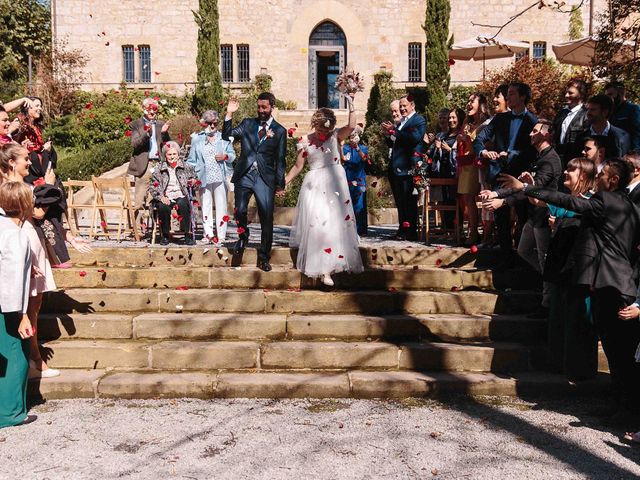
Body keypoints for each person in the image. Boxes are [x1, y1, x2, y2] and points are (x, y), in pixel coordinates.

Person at [512, 158, 640, 414]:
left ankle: (624, 408)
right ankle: (621, 406)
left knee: (618, 353)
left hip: (610, 285)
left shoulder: (605, 201)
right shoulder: (631, 206)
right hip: (623, 283)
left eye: (602, 174)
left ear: (612, 180)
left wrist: (528, 188)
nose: (599, 178)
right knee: (621, 354)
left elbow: (569, 202)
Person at [284, 96, 363, 287]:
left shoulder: (336, 136)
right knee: (317, 224)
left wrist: (351, 102)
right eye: (320, 130)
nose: (323, 134)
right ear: (314, 125)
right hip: (314, 185)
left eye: (326, 130)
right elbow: (297, 166)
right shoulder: (304, 141)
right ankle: (320, 268)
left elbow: (351, 126)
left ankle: (330, 267)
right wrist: (285, 181)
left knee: (334, 224)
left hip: (335, 183)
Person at [491, 119, 563, 316]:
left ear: (546, 134)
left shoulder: (550, 160)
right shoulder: (538, 156)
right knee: (524, 250)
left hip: (544, 215)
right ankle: (550, 282)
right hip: (534, 216)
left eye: (534, 131)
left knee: (544, 257)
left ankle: (548, 301)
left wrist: (503, 201)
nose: (530, 134)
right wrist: (497, 194)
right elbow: (523, 187)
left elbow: (532, 190)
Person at [473, 82, 538, 260]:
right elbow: (479, 139)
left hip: (520, 175)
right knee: (500, 218)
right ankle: (505, 256)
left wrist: (511, 154)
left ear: (523, 97)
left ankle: (522, 256)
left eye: (512, 94)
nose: (508, 97)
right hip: (499, 173)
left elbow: (534, 150)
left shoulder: (533, 121)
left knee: (523, 216)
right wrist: (484, 151)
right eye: (507, 94)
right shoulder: (500, 118)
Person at [223, 92, 287, 272]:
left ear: (271, 107)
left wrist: (279, 184)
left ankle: (264, 258)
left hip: (265, 178)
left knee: (266, 217)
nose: (261, 110)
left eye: (264, 107)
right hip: (245, 174)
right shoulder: (247, 124)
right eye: (259, 107)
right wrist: (229, 114)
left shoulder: (280, 131)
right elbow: (227, 135)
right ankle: (243, 236)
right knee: (240, 209)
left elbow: (280, 159)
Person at [12, 96, 76, 268]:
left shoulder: (37, 128)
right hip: (32, 175)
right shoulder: (20, 127)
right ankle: (56, 255)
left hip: (43, 171)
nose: (39, 109)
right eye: (36, 106)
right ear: (27, 108)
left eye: (40, 106)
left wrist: (47, 150)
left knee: (55, 207)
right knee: (43, 213)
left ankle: (61, 252)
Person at [0, 181, 35, 429]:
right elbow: (12, 277)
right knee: (16, 356)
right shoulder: (15, 235)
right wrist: (21, 314)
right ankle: (11, 413)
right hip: (8, 306)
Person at [24, 185, 60, 379]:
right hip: (23, 237)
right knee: (27, 305)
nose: (29, 161)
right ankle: (34, 358)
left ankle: (34, 355)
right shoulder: (14, 188)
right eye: (25, 159)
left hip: (34, 237)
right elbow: (36, 212)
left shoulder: (29, 186)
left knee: (36, 303)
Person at [382, 95, 427, 241]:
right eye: (400, 106)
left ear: (412, 105)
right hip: (396, 167)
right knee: (400, 201)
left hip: (409, 166)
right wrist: (388, 135)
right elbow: (395, 143)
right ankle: (402, 229)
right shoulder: (402, 122)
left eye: (404, 106)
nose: (401, 109)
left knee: (409, 201)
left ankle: (410, 232)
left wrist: (394, 131)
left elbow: (414, 138)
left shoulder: (418, 120)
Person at [187, 110, 235, 245]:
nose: (212, 126)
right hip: (204, 176)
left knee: (221, 206)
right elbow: (191, 160)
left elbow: (233, 155)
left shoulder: (224, 137)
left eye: (215, 123)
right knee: (205, 205)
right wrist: (191, 175)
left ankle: (221, 235)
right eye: (209, 123)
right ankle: (208, 234)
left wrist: (225, 156)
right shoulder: (197, 139)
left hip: (220, 176)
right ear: (204, 123)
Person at [127, 98, 171, 219]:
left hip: (158, 165)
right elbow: (135, 144)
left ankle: (159, 230)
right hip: (144, 166)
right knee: (140, 200)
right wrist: (147, 134)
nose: (152, 111)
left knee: (158, 199)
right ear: (144, 109)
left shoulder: (161, 124)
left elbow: (168, 146)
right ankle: (139, 230)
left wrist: (164, 133)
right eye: (149, 108)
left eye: (155, 109)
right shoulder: (136, 124)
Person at [148, 142, 198, 246]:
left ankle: (187, 234)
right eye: (169, 154)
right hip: (166, 196)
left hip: (182, 195)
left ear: (178, 154)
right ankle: (165, 235)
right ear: (165, 156)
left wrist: (193, 182)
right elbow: (153, 186)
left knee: (183, 204)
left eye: (174, 154)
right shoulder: (159, 169)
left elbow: (196, 182)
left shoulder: (187, 167)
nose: (172, 157)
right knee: (163, 207)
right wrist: (161, 197)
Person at [457, 93, 490, 244]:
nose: (469, 104)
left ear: (481, 104)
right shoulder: (466, 123)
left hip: (482, 164)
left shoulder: (488, 123)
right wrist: (461, 139)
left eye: (472, 101)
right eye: (468, 101)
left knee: (485, 198)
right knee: (468, 198)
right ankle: (473, 233)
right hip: (467, 163)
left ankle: (488, 234)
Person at [428, 108, 462, 234]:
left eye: (452, 118)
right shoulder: (444, 135)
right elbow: (434, 152)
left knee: (454, 200)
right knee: (445, 200)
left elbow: (459, 152)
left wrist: (449, 150)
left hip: (454, 171)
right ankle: (446, 227)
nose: (449, 121)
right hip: (443, 171)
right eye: (449, 118)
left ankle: (455, 229)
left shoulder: (460, 134)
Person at [576, 94, 630, 159]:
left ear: (605, 112)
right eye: (588, 109)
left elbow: (623, 164)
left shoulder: (621, 137)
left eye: (593, 110)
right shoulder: (581, 137)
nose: (588, 113)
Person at [553, 79, 590, 166]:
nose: (566, 95)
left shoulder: (586, 115)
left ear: (581, 95)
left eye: (571, 93)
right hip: (557, 159)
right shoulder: (561, 113)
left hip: (574, 161)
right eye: (566, 92)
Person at [341, 127, 369, 236]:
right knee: (347, 204)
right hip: (348, 179)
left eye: (355, 135)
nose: (353, 137)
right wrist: (341, 146)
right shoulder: (346, 148)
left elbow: (365, 159)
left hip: (360, 179)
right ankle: (348, 229)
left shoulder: (363, 148)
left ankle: (361, 230)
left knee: (360, 205)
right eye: (351, 135)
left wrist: (357, 148)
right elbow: (342, 159)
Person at [605, 80, 640, 151]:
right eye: (606, 96)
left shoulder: (633, 109)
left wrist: (635, 153)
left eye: (610, 94)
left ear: (621, 93)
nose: (608, 98)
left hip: (627, 153)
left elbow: (637, 134)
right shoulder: (609, 111)